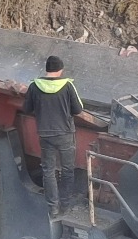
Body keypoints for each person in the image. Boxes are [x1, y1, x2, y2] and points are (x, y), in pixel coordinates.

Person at [23, 55, 101, 213]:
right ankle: (65, 204)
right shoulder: (67, 86)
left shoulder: (34, 86)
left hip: (45, 134)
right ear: (60, 70)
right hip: (65, 134)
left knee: (48, 170)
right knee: (67, 170)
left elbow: (26, 108)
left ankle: (53, 207)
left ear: (47, 69)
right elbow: (78, 109)